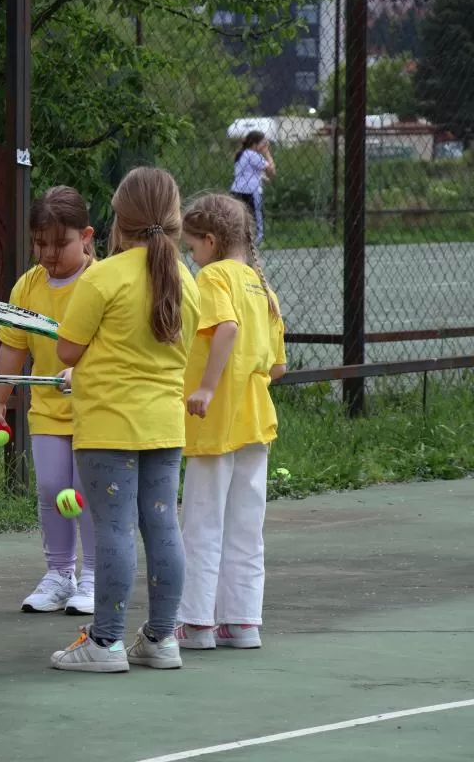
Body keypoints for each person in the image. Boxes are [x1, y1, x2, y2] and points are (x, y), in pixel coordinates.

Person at [49, 167, 201, 674]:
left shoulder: (103, 277)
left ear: (118, 221)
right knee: (163, 527)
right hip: (165, 426)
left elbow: (67, 349)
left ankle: (106, 642)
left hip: (107, 427)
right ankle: (161, 638)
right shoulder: (186, 280)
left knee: (113, 529)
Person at [175, 193, 287, 651]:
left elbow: (227, 328)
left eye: (191, 247)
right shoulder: (262, 286)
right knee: (245, 525)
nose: (191, 256)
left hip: (215, 420)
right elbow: (278, 366)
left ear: (210, 240)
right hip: (255, 421)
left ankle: (196, 622)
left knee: (201, 522)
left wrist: (206, 386)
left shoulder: (214, 276)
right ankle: (242, 623)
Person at [0, 186, 97, 615]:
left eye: (59, 243)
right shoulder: (28, 286)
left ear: (86, 237)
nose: (48, 253)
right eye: (40, 243)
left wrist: (81, 373)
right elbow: (13, 348)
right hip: (47, 409)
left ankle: (95, 575)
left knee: (86, 491)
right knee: (51, 488)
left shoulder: (100, 283)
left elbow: (113, 346)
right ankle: (60, 574)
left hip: (96, 410)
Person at [230, 130, 276, 244]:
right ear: (255, 144)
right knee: (255, 217)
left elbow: (248, 172)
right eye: (263, 143)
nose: (265, 145)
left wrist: (262, 177)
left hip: (237, 190)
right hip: (251, 191)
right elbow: (272, 170)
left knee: (239, 218)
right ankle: (256, 241)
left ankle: (239, 241)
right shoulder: (253, 154)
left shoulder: (242, 153)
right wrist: (267, 153)